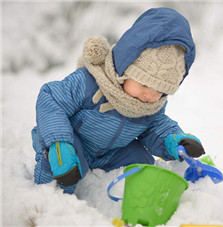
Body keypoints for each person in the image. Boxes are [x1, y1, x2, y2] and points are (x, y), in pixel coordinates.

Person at [31, 7, 205, 194]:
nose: (149, 95)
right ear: (125, 70)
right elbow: (51, 99)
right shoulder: (89, 82)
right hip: (73, 142)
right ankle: (48, 200)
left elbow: (157, 127)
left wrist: (176, 142)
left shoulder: (151, 105)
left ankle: (135, 202)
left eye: (160, 90)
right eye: (144, 84)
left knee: (143, 165)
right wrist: (59, 142)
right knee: (62, 165)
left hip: (112, 152)